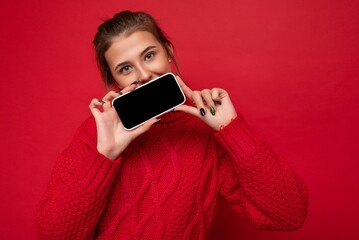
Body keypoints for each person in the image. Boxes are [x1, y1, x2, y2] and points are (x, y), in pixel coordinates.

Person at [36, 10, 308, 239]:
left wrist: (231, 128)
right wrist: (104, 156)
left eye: (149, 55)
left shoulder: (206, 132)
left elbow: (289, 214)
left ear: (168, 51)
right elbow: (55, 235)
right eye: (126, 68)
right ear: (114, 81)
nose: (144, 74)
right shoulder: (95, 134)